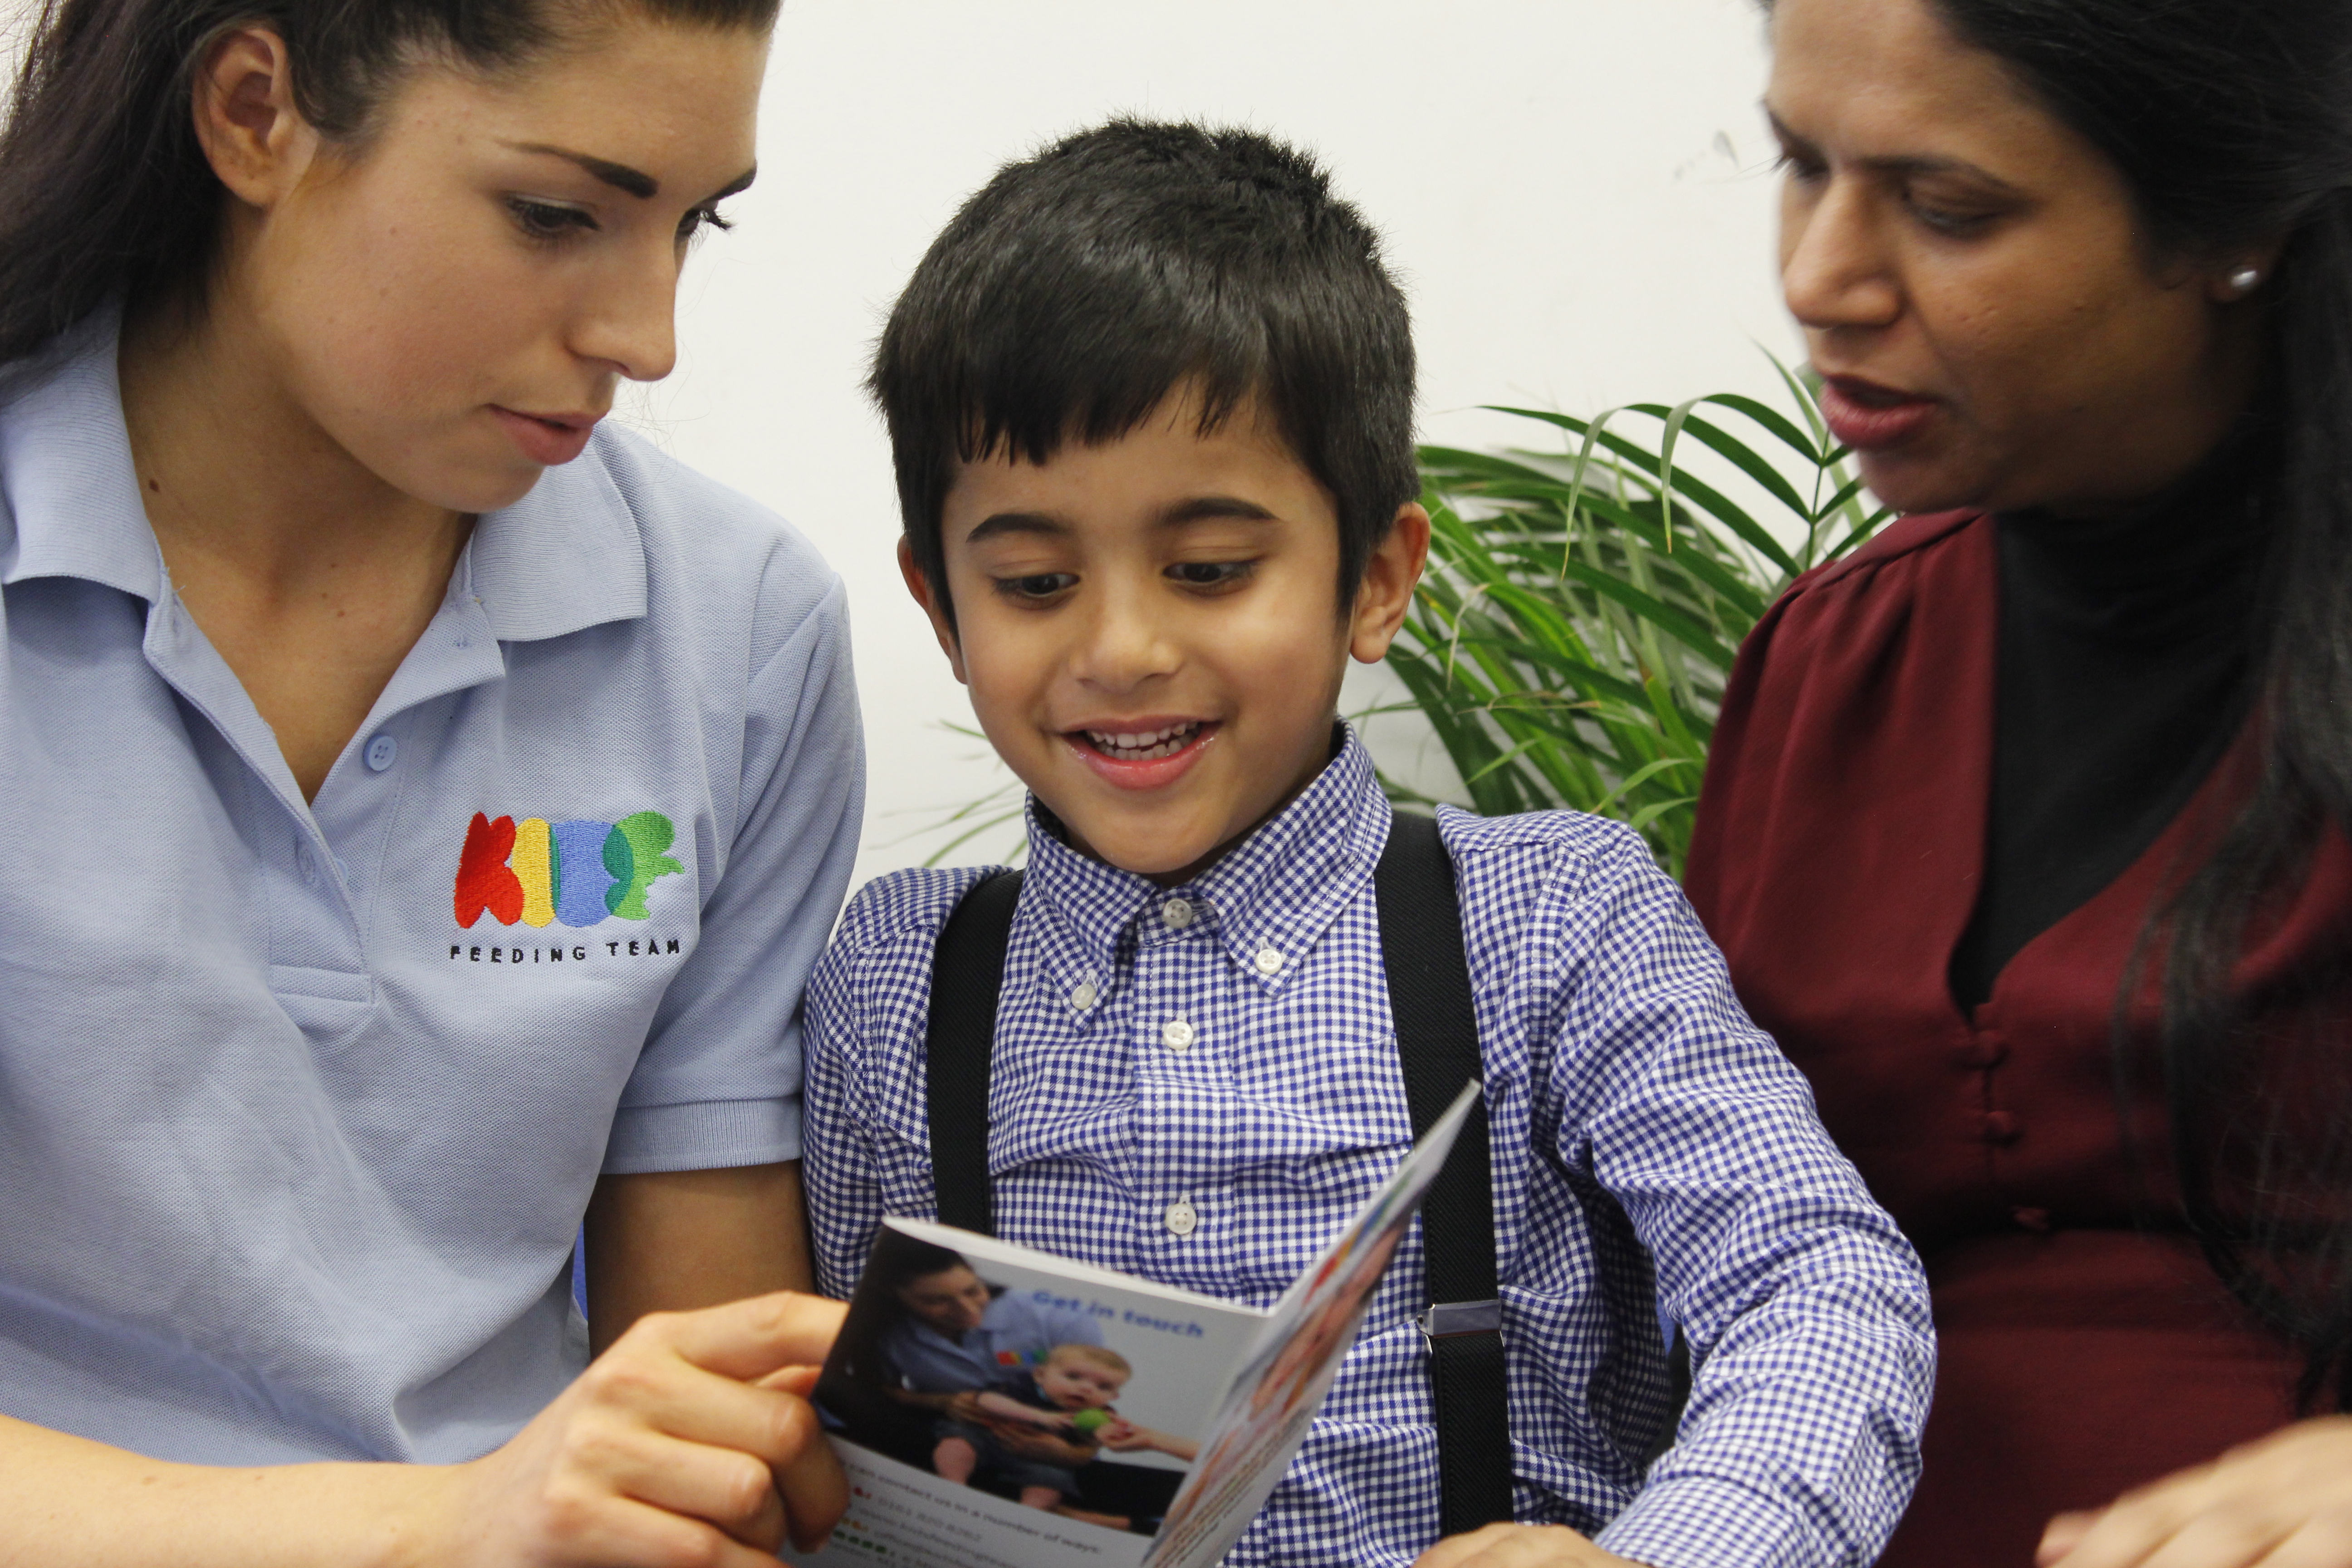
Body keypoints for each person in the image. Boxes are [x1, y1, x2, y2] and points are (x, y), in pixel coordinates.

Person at [802, 118, 1937, 1568]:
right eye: (1032, 580)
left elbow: (1818, 1281)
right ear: (940, 605)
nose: (1123, 647)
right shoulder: (897, 979)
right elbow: (847, 1458)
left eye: (1210, 570)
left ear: (1378, 578)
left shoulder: (1551, 919)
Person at [0, 0, 862, 1561]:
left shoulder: (739, 635)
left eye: (694, 224)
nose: (644, 336)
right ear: (256, 111)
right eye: (556, 215)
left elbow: (701, 1409)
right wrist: (432, 1525)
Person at [1683, 3, 2352, 1567]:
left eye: (1946, 207)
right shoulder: (1824, 670)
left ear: (2231, 217)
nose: (1818, 278)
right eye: (1799, 164)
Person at [936, 1343, 1132, 1512]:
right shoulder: (1023, 1386)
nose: (1087, 1389)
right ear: (1040, 1375)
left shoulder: (1099, 1413)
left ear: (1114, 1396)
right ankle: (954, 1485)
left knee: (1053, 1480)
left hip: (1037, 1461)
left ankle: (1026, 1515)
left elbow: (1094, 1439)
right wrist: (1039, 1416)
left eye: (1103, 1387)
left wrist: (1111, 1432)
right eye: (1073, 1377)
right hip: (986, 1438)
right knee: (958, 1442)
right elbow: (986, 1399)